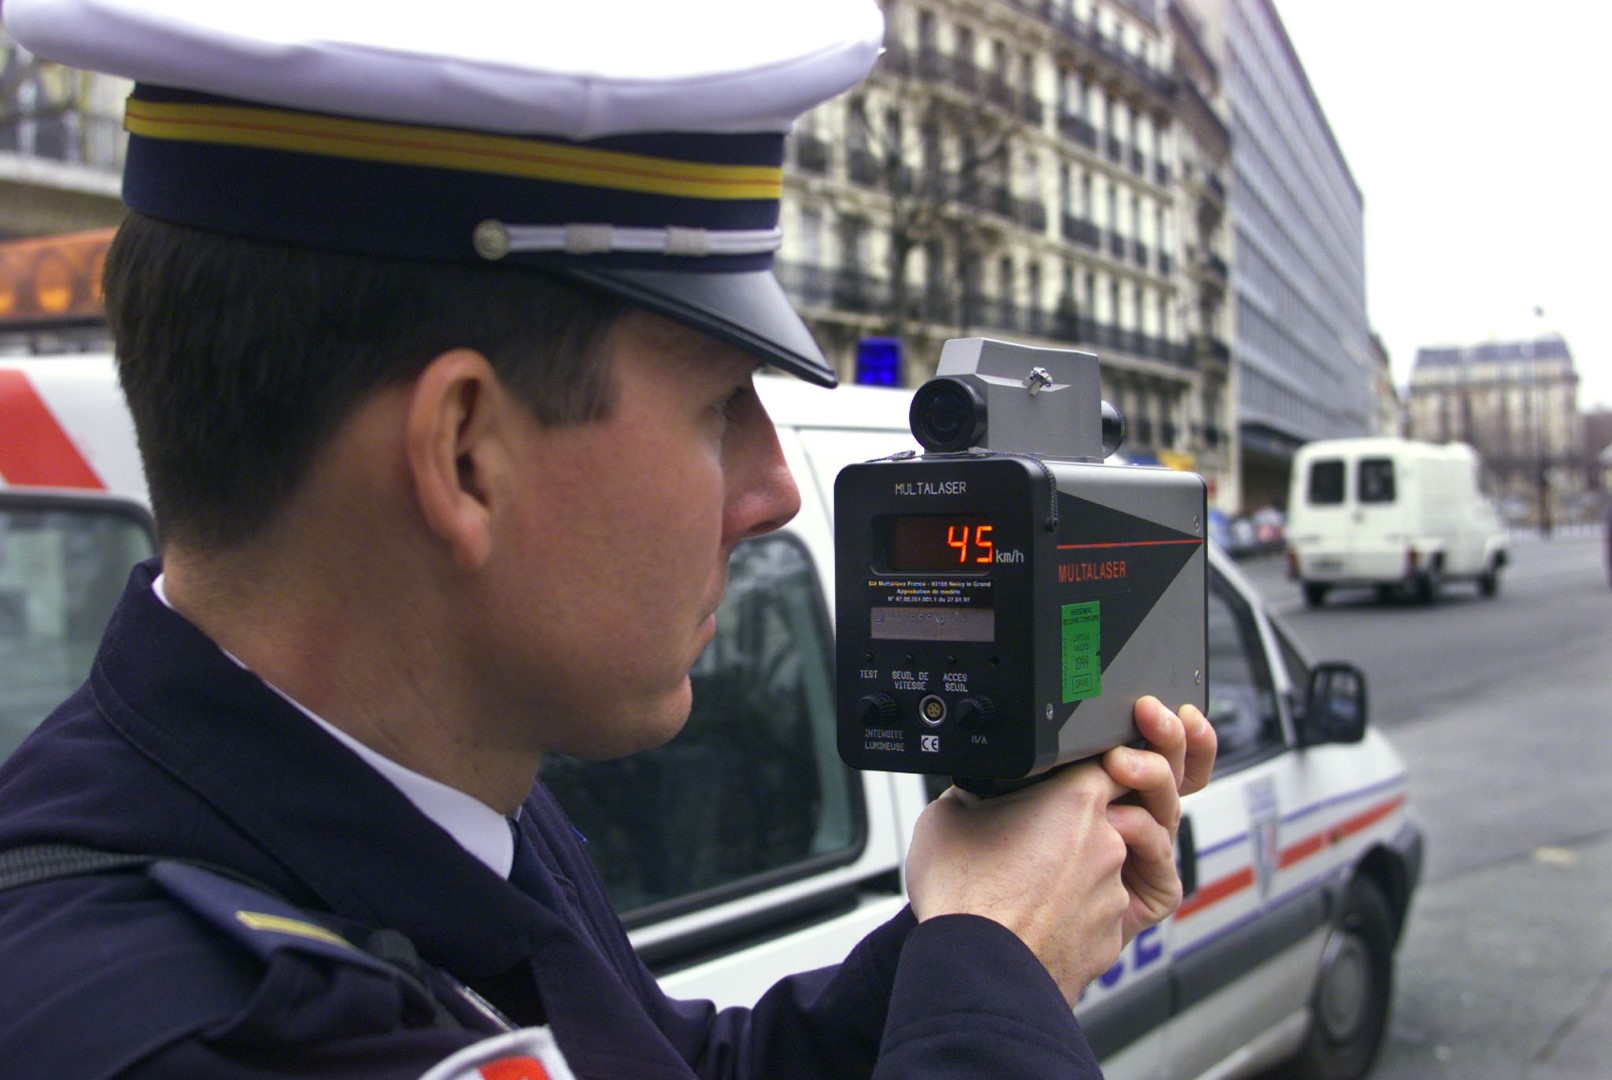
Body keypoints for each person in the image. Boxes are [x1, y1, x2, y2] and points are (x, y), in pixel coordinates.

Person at [0, 2, 1215, 1078]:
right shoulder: (186, 1030)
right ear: (466, 456)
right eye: (720, 403)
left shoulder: (415, 790)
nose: (775, 489)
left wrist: (978, 932)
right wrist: (993, 971)